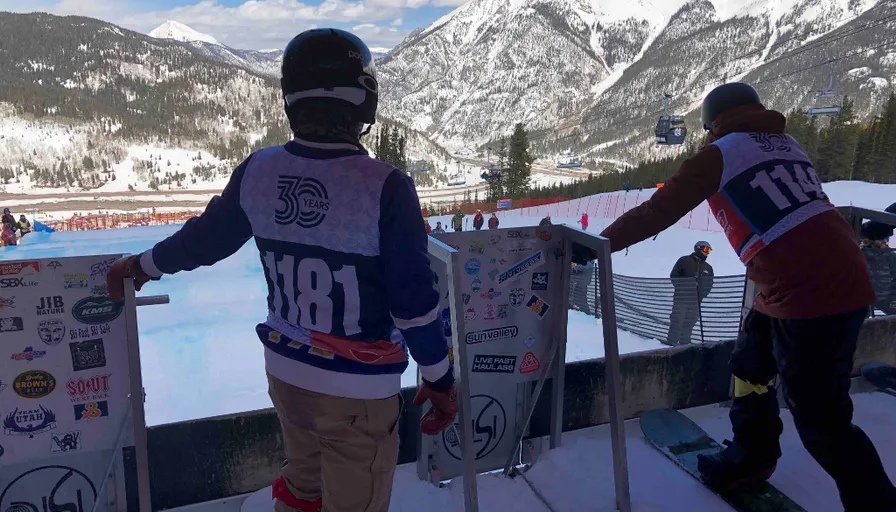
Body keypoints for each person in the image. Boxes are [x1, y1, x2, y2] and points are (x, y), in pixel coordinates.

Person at [106, 28, 457, 512]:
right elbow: (414, 303)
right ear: (364, 102)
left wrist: (141, 266)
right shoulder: (387, 186)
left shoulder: (259, 170)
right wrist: (440, 381)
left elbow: (204, 240)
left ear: (291, 99)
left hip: (288, 376)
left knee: (303, 487)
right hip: (358, 391)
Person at [598, 82, 894, 510]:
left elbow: (659, 209)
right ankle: (752, 455)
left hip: (810, 292)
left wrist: (598, 246)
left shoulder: (721, 152)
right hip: (816, 279)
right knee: (751, 365)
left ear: (712, 124)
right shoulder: (787, 143)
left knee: (821, 420)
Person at [666, 241, 714, 345]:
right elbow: (674, 275)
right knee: (677, 320)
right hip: (681, 299)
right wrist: (684, 288)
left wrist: (702, 294)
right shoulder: (684, 260)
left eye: (709, 250)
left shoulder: (708, 268)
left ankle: (685, 342)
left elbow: (710, 284)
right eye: (706, 249)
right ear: (698, 248)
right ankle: (671, 343)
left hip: (695, 301)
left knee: (690, 321)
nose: (707, 253)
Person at [860, 219, 896, 316]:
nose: (885, 241)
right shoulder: (861, 253)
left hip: (885, 297)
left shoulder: (888, 255)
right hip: (865, 299)